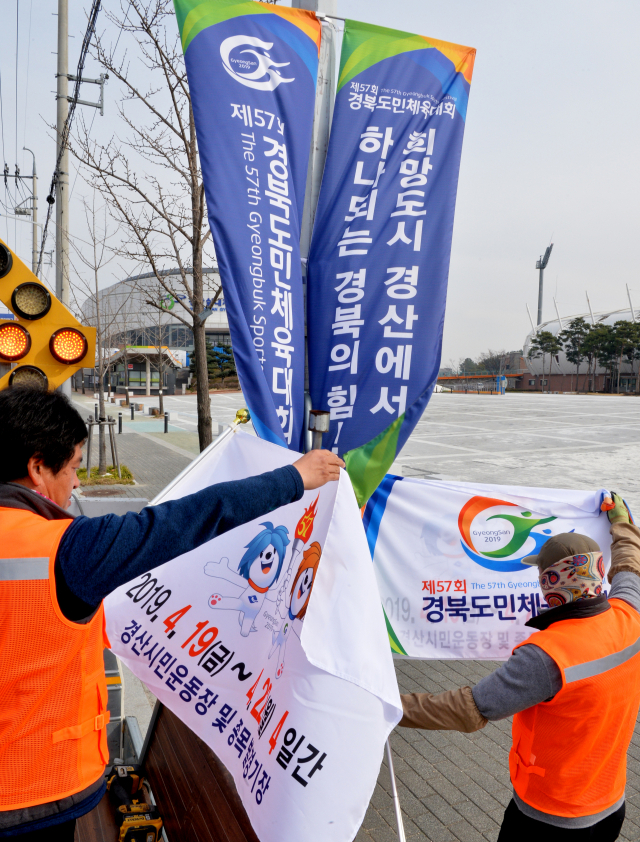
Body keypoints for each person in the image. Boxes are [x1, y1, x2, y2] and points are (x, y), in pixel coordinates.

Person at [0, 387, 344, 840]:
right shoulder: (66, 551)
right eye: (74, 468)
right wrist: (294, 478)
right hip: (30, 791)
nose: (78, 484)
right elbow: (183, 521)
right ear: (37, 466)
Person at [399, 494, 640, 841]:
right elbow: (630, 564)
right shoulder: (629, 613)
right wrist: (620, 520)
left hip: (550, 819)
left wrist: (387, 705)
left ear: (549, 584)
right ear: (598, 572)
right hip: (611, 806)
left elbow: (469, 709)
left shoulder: (546, 655)